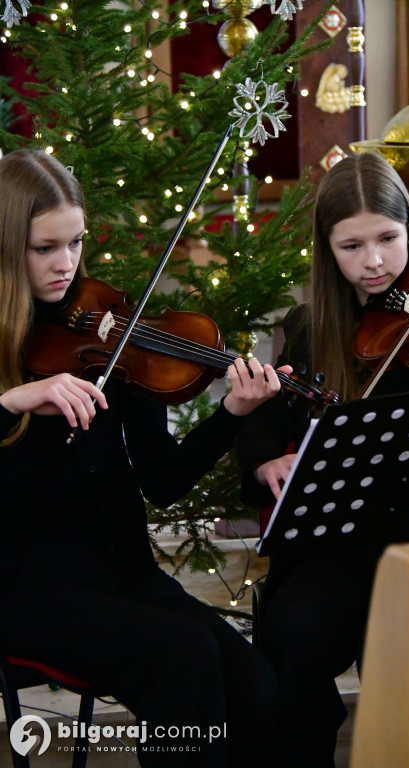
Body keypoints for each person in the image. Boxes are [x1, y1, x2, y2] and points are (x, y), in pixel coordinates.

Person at [0, 148, 293, 767]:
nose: (65, 265)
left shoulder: (111, 331)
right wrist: (13, 400)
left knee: (257, 688)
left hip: (122, 576)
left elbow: (161, 481)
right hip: (24, 587)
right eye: (44, 248)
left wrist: (231, 415)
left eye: (75, 243)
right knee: (181, 656)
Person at [234, 151, 409, 768]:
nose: (375, 262)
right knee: (291, 633)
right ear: (328, 252)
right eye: (352, 246)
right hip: (347, 544)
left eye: (388, 239)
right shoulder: (313, 328)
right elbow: (263, 415)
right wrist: (262, 464)